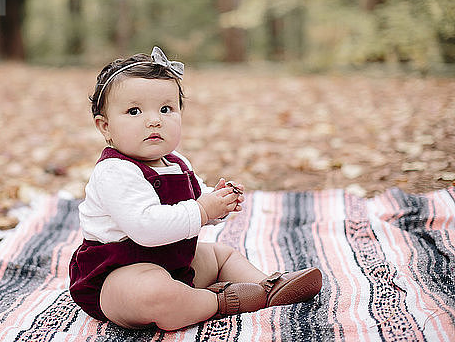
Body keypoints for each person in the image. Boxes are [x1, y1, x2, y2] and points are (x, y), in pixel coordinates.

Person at [68, 46, 322, 331]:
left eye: (166, 109)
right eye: (134, 111)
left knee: (220, 254)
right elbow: (146, 227)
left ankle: (267, 286)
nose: (154, 120)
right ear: (105, 127)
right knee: (153, 294)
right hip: (117, 276)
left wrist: (218, 202)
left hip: (176, 263)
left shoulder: (177, 162)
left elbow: (198, 200)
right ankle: (221, 301)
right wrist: (202, 210)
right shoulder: (114, 171)